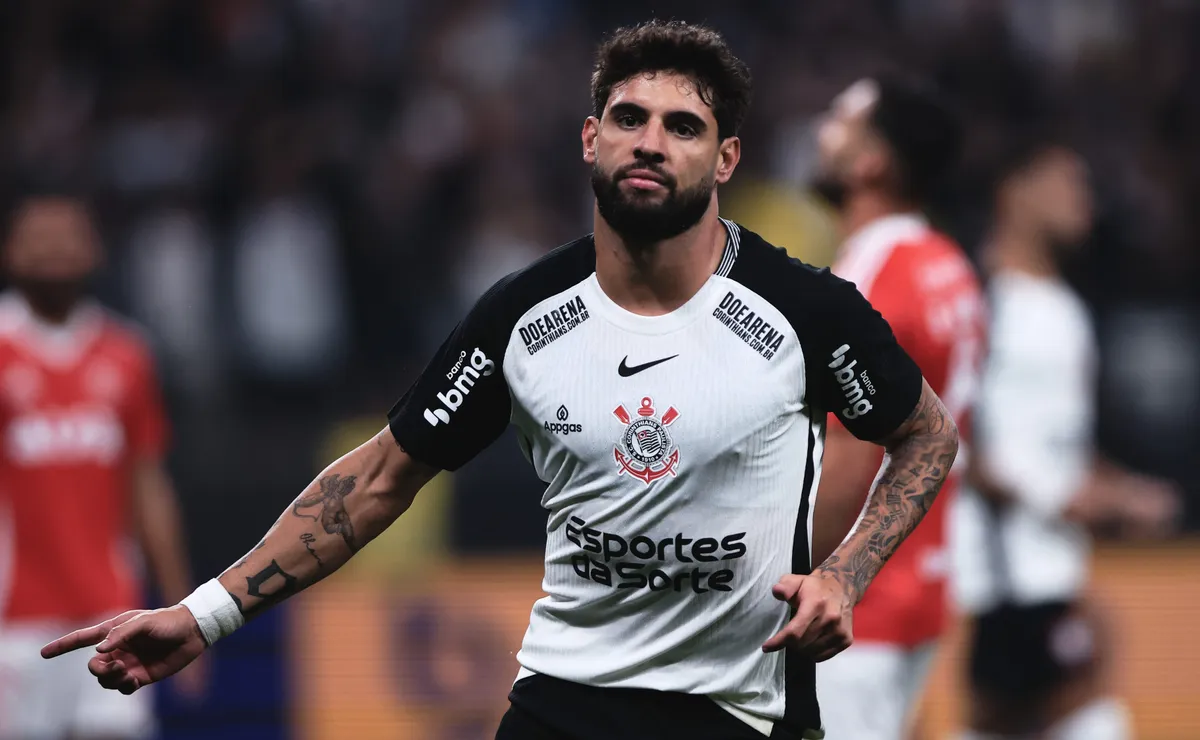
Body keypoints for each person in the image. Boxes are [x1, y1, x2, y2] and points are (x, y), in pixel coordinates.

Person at [41, 21, 960, 740]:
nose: (651, 143)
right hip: (564, 699)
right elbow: (378, 478)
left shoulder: (806, 308)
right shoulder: (524, 315)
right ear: (591, 140)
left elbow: (928, 433)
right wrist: (205, 615)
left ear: (724, 161)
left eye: (684, 127)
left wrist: (847, 571)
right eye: (630, 120)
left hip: (736, 711)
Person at [953, 140, 1180, 740]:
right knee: (1091, 710)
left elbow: (1064, 449)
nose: (1084, 199)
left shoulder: (1066, 310)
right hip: (1003, 580)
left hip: (1056, 569)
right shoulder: (980, 302)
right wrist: (1065, 500)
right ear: (1015, 188)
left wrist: (1123, 490)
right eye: (1066, 181)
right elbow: (959, 441)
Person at [807, 77, 986, 740]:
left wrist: (793, 577)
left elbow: (852, 464)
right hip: (929, 581)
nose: (820, 130)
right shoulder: (948, 265)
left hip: (860, 599)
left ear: (870, 162)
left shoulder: (873, 279)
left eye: (839, 118)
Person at [0, 194, 204, 739]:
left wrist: (180, 600)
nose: (55, 248)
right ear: (10, 252)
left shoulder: (127, 354)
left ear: (95, 250)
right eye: (39, 236)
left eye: (69, 235)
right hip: (13, 618)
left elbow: (148, 486)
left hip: (112, 613)